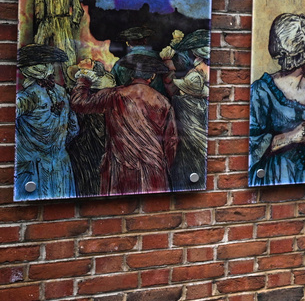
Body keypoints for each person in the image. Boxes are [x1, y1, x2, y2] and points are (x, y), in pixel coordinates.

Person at [71, 51, 177, 196]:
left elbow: (79, 103)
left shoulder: (114, 95)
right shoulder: (163, 102)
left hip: (121, 166)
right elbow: (171, 142)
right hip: (154, 169)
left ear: (131, 75)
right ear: (152, 77)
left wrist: (84, 80)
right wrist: (163, 166)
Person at [249, 13, 305, 186]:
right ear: (300, 56)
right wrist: (291, 137)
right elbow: (252, 146)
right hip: (278, 175)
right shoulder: (262, 90)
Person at [15, 44, 79, 200]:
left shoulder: (25, 97)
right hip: (61, 166)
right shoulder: (62, 92)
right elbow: (74, 128)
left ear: (26, 71)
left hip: (32, 168)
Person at [160, 29, 211, 191]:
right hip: (197, 124)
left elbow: (173, 86)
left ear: (195, 54)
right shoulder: (202, 72)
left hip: (193, 129)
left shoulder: (196, 75)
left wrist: (168, 62)